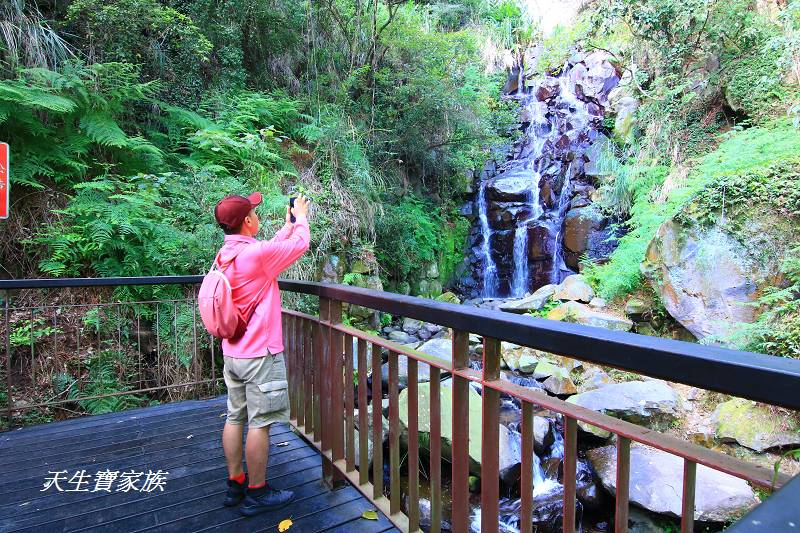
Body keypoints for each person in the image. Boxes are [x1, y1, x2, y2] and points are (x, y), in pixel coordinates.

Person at [212, 191, 310, 516]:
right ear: (247, 221)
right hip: (259, 355)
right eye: (253, 211)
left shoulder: (226, 254)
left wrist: (286, 226)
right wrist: (302, 217)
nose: (257, 214)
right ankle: (257, 492)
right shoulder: (256, 256)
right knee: (260, 423)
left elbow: (270, 249)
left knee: (235, 415)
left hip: (233, 352)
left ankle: (235, 483)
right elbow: (299, 246)